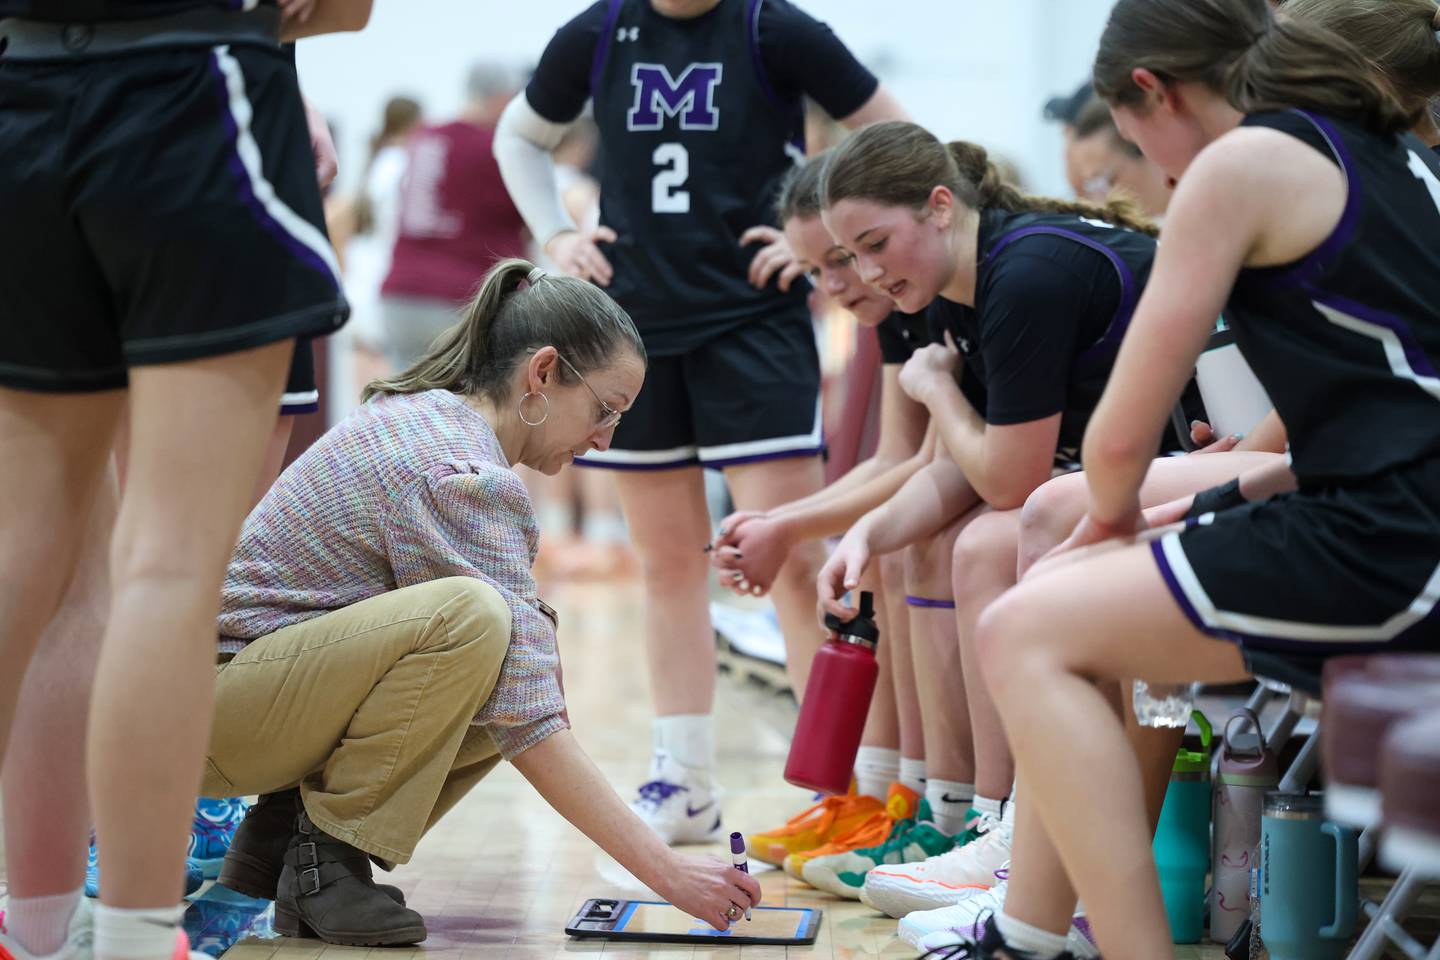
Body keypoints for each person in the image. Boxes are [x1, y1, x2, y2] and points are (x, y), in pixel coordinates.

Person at [971, 0, 1440, 956]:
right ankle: (1027, 931)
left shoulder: (1241, 166)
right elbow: (1385, 407)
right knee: (1060, 601)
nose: (1148, 163)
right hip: (1391, 516)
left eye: (1133, 139)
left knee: (1025, 628)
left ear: (1150, 92)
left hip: (1392, 544)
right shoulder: (1393, 152)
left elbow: (1115, 449)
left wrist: (1110, 524)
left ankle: (1106, 946)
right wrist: (1217, 501)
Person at [205, 259, 761, 945]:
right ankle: (327, 862)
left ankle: (287, 850)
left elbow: (519, 697)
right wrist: (669, 874)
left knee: (509, 651)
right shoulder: (458, 471)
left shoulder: (431, 421)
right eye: (605, 410)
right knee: (476, 623)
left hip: (233, 702)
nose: (605, 438)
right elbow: (531, 719)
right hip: (215, 715)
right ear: (543, 373)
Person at [0, 4, 368, 960]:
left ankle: (32, 932)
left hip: (19, 90)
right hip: (190, 90)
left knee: (27, 561)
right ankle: (131, 942)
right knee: (167, 570)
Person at [493, 0, 908, 844]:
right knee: (667, 564)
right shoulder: (600, 30)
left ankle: (849, 788)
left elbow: (891, 134)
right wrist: (556, 235)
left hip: (754, 321)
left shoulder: (773, 26)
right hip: (632, 328)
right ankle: (683, 780)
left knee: (790, 557)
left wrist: (821, 241)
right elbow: (518, 136)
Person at [802, 120, 1209, 901]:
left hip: (1199, 458)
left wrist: (938, 390)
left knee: (991, 542)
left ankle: (1010, 831)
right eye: (850, 256)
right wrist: (861, 534)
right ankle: (956, 811)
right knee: (917, 544)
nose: (867, 272)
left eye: (875, 243)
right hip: (1114, 475)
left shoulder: (1023, 275)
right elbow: (960, 469)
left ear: (941, 207)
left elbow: (1006, 480)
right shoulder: (949, 286)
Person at [380, 64, 526, 370]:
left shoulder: (424, 137)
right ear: (502, 98)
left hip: (401, 294)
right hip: (459, 298)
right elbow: (528, 216)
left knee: (404, 405)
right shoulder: (494, 148)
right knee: (465, 405)